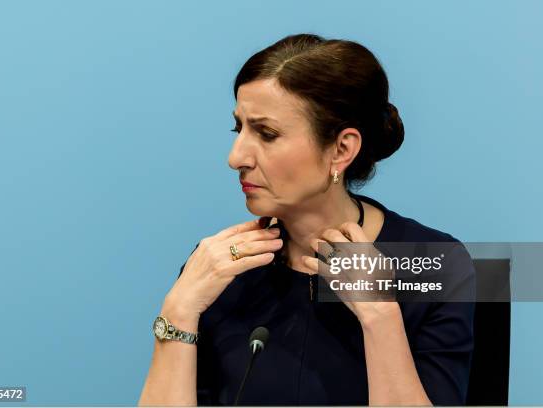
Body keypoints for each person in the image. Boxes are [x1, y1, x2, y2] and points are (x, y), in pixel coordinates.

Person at [138, 33, 475, 406]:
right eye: (239, 129)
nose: (236, 158)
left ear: (341, 149)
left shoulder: (435, 266)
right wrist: (178, 311)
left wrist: (380, 315)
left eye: (266, 134)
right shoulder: (219, 268)